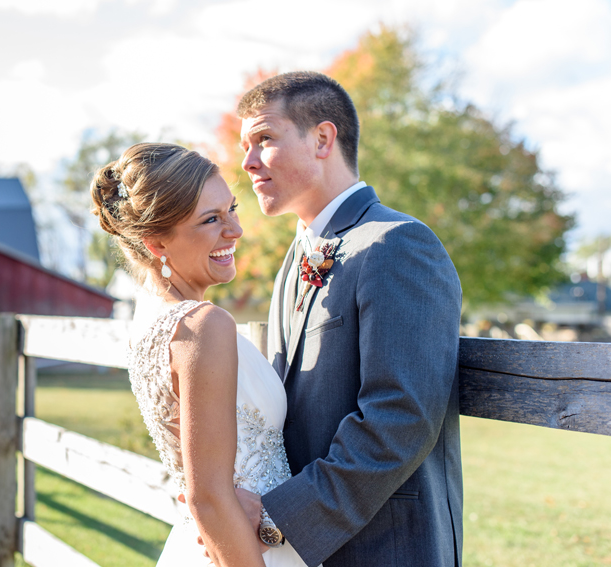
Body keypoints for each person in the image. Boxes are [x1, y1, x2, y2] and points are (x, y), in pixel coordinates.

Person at [234, 71, 464, 566]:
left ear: (322, 139)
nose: (248, 162)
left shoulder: (398, 243)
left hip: (385, 545)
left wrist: (281, 518)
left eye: (264, 139)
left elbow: (401, 416)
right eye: (244, 147)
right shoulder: (294, 261)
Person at [91, 143, 307, 567]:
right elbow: (207, 497)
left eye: (232, 208)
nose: (235, 230)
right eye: (211, 219)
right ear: (156, 244)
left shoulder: (151, 321)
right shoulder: (204, 325)